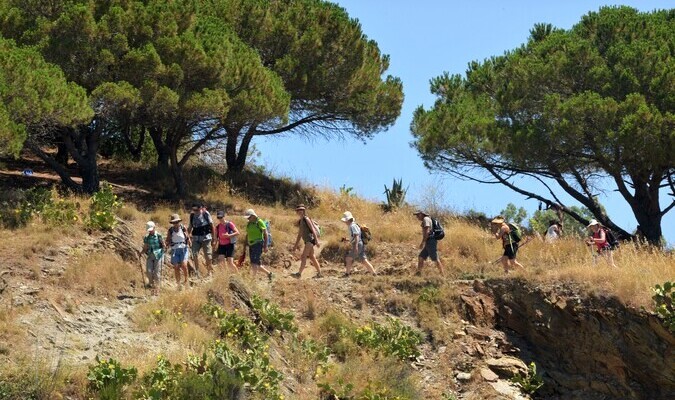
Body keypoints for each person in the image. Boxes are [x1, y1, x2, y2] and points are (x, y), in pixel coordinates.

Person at [340, 211, 376, 276]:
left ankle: (347, 274)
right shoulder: (354, 225)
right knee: (364, 260)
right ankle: (374, 274)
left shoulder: (352, 226)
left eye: (345, 220)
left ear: (348, 220)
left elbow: (356, 236)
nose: (345, 222)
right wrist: (347, 240)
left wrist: (356, 246)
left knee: (348, 259)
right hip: (360, 243)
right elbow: (355, 237)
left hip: (358, 244)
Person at [291, 204, 322, 279]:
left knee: (304, 256)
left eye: (301, 210)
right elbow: (299, 234)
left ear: (304, 211)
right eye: (298, 210)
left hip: (310, 240)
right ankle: (320, 273)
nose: (299, 211)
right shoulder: (300, 221)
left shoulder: (306, 219)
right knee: (312, 256)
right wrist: (295, 245)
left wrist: (317, 241)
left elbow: (313, 230)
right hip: (307, 241)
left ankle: (299, 274)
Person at [242, 209, 273, 281]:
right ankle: (269, 274)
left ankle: (253, 280)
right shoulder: (249, 223)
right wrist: (245, 245)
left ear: (253, 216)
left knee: (253, 263)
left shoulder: (259, 222)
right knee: (256, 264)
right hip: (251, 244)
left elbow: (265, 234)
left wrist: (265, 246)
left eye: (249, 217)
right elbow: (247, 234)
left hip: (258, 244)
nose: (248, 219)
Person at [188, 202, 216, 277]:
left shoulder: (205, 214)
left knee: (208, 256)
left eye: (197, 210)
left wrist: (214, 239)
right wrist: (187, 236)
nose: (195, 211)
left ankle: (209, 271)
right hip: (196, 238)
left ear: (200, 208)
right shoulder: (192, 215)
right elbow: (190, 227)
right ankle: (197, 272)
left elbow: (212, 226)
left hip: (206, 238)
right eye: (194, 210)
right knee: (194, 254)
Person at [413, 210, 444, 275]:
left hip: (430, 241)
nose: (417, 217)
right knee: (421, 257)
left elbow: (427, 231)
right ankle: (418, 273)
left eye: (418, 215)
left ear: (422, 214)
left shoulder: (426, 219)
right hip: (428, 241)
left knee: (435, 258)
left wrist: (423, 242)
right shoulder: (427, 219)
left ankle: (442, 274)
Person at [139, 221, 166, 296]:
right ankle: (152, 285)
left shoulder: (159, 236)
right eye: (149, 230)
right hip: (150, 255)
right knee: (149, 271)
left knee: (157, 273)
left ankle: (156, 289)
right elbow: (145, 247)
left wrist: (163, 249)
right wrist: (141, 253)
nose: (150, 231)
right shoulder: (146, 238)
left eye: (151, 229)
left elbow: (163, 245)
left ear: (154, 228)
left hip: (159, 255)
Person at [166, 213, 192, 290]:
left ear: (179, 221)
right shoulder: (170, 230)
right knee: (176, 267)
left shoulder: (183, 228)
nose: (175, 223)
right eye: (174, 222)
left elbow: (187, 236)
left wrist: (189, 242)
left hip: (183, 248)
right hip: (174, 249)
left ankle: (186, 281)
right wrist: (166, 244)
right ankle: (178, 284)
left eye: (176, 222)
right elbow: (167, 239)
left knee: (184, 265)